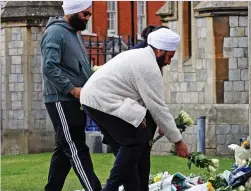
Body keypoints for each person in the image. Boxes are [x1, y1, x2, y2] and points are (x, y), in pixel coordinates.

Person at [80, 28, 189, 191]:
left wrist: (138, 118)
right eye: (169, 56)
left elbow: (138, 95)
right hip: (101, 100)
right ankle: (110, 188)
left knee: (131, 153)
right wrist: (178, 141)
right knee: (134, 143)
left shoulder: (141, 56)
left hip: (96, 99)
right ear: (159, 51)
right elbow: (158, 107)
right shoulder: (148, 66)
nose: (169, 62)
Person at [100, 25, 171, 191]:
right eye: (169, 53)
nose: (169, 61)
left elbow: (152, 96)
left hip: (137, 119)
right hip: (125, 118)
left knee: (138, 164)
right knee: (131, 165)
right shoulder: (141, 58)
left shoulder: (151, 57)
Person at [40, 0, 101, 190]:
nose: (88, 18)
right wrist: (72, 89)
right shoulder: (55, 32)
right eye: (85, 14)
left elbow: (80, 69)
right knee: (75, 147)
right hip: (62, 99)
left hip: (73, 99)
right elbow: (49, 67)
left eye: (89, 14)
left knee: (64, 148)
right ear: (73, 12)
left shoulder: (72, 34)